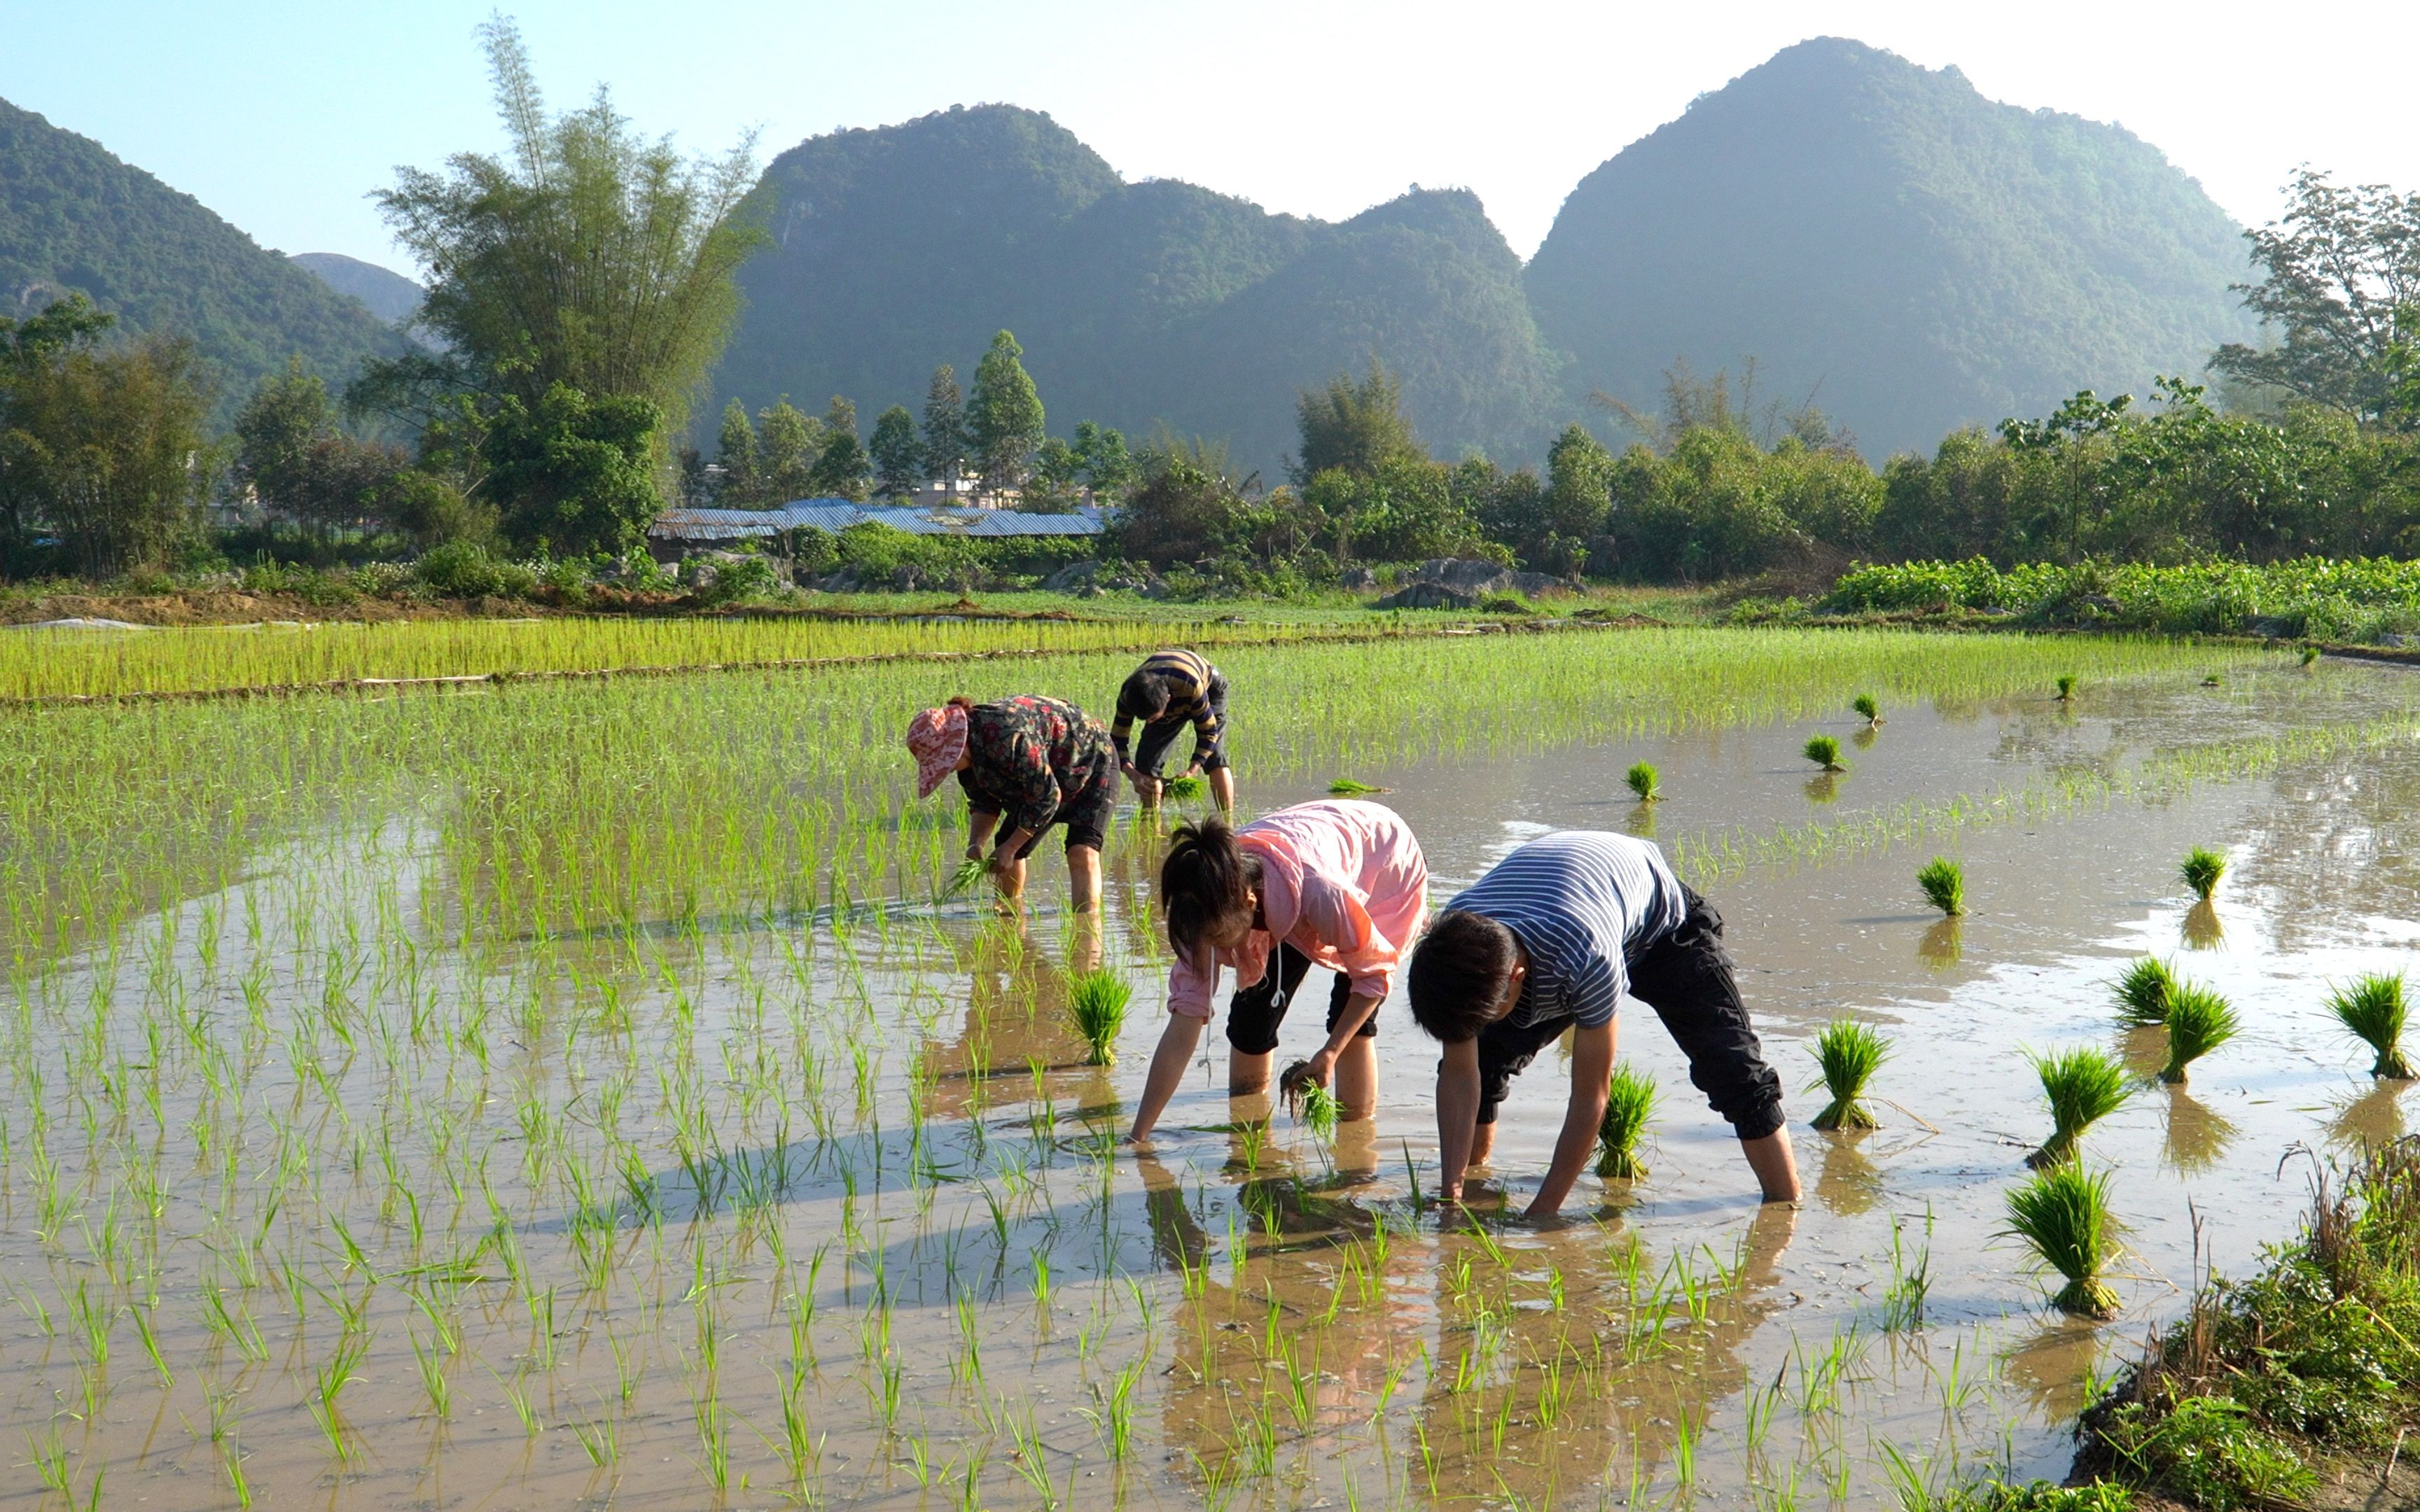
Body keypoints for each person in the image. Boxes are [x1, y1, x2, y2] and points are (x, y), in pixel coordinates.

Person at [1405, 830, 1800, 1218]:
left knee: (1733, 1070)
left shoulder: (1587, 958)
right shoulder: (1457, 952)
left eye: (1488, 1013)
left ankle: (1786, 1207)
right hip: (1564, 903)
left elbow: (1590, 1098)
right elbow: (1461, 1074)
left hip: (1662, 928)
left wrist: (1543, 1212)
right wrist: (1449, 1197)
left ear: (1516, 976)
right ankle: (1473, 1184)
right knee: (1487, 1059)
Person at [1126, 800, 1428, 1142]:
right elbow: (1182, 1026)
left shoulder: (1322, 892)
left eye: (1219, 938)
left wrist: (1330, 1051)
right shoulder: (1202, 902)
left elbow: (1372, 977)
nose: (1215, 950)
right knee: (1250, 1021)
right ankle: (1248, 1138)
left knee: (1349, 1018)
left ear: (1249, 903)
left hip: (1383, 861)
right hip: (1292, 867)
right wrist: (1139, 1135)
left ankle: (1355, 1153)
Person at [905, 694, 1114, 913]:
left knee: (1081, 850)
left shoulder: (1008, 735)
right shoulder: (968, 760)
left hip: (1091, 760)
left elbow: (1047, 797)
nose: (946, 770)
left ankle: (1087, 930)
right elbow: (984, 802)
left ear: (958, 746)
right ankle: (1008, 917)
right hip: (1044, 773)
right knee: (1006, 844)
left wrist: (1011, 848)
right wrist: (975, 844)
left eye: (945, 762)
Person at [1111, 649, 1233, 813]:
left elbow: (1209, 733)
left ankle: (1228, 818)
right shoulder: (1130, 695)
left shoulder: (1191, 686)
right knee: (1147, 763)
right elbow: (1116, 741)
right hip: (1164, 689)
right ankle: (1151, 821)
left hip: (1209, 687)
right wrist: (1133, 774)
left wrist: (1192, 769)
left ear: (1168, 702)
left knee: (1214, 756)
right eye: (1145, 719)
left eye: (1153, 718)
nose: (1149, 723)